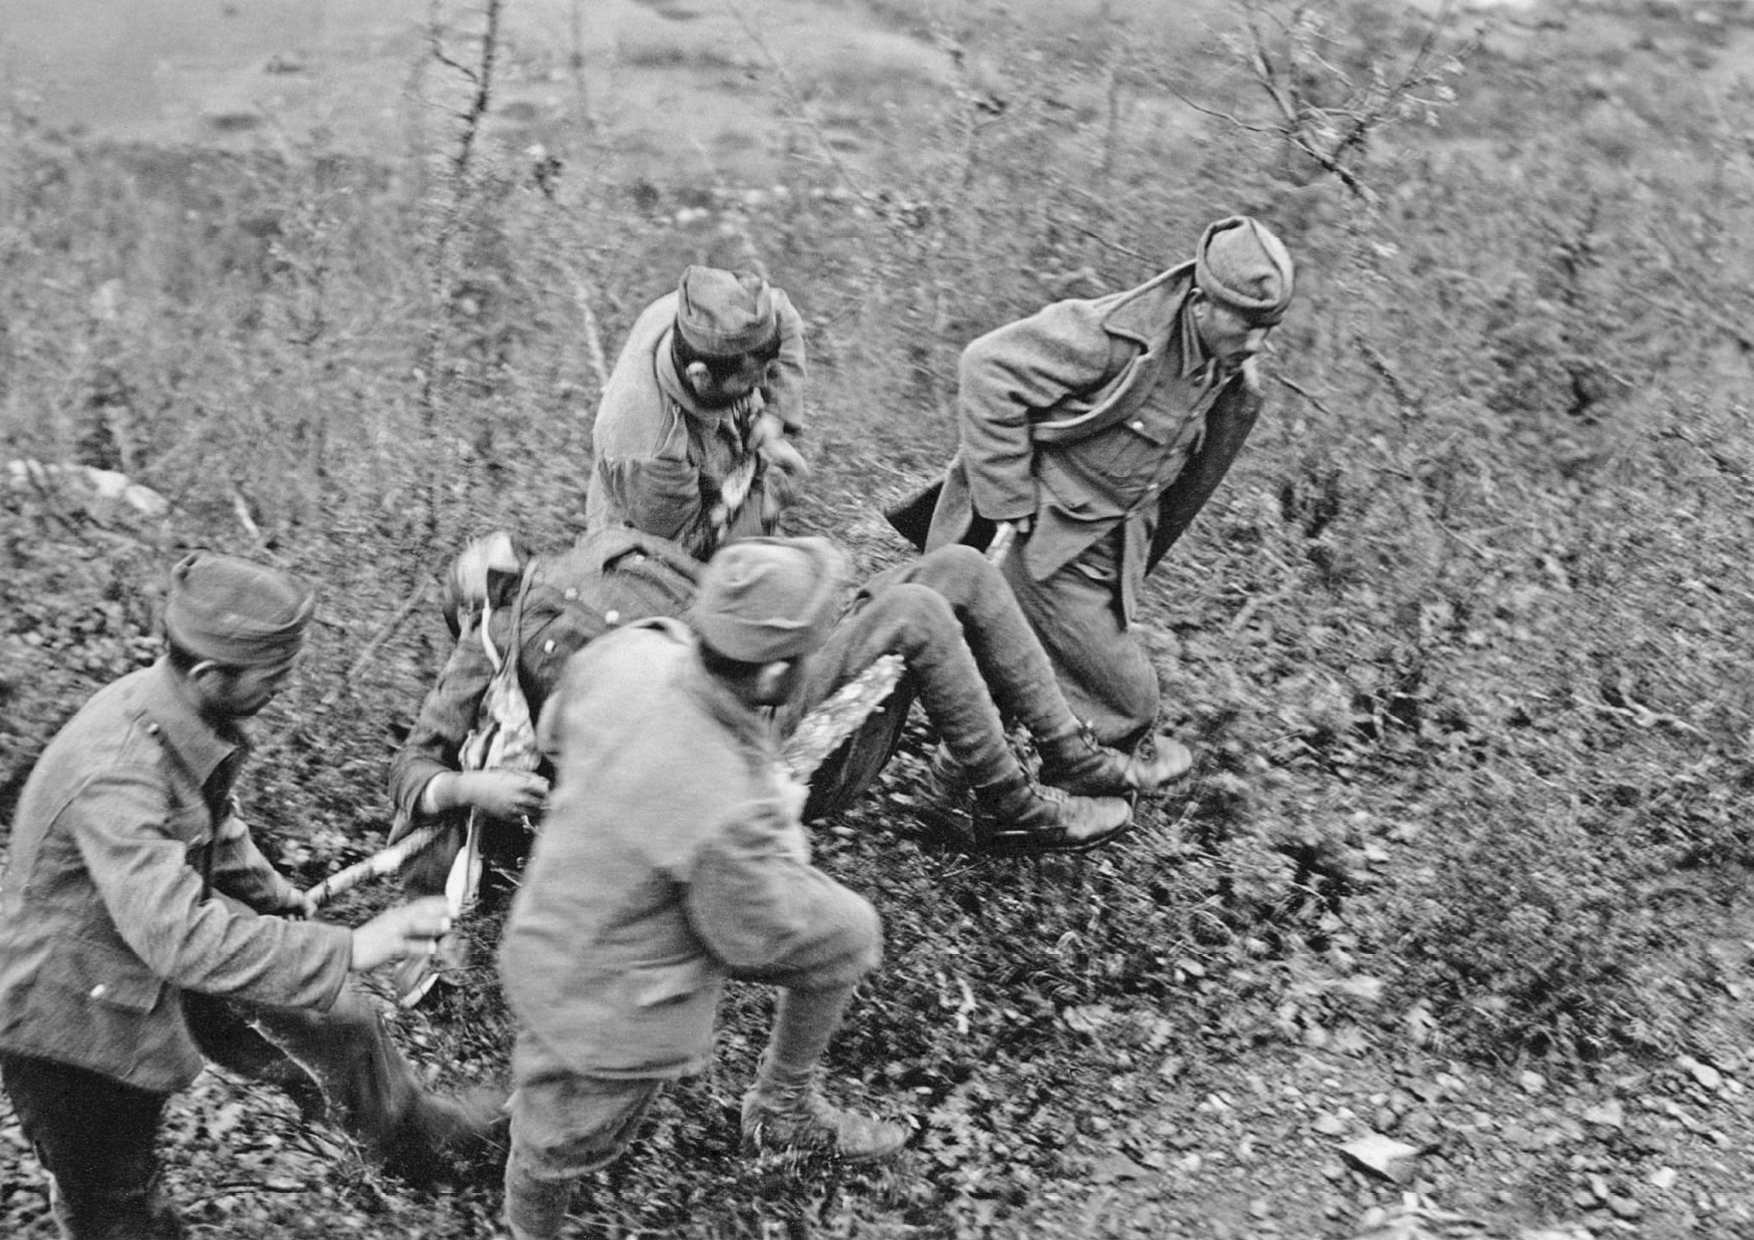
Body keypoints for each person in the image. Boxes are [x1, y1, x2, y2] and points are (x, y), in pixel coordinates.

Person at [384, 526, 1191, 1002]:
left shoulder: (604, 553)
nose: (499, 567)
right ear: (466, 610)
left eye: (502, 554)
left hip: (768, 687)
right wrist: (473, 785)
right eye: (478, 581)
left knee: (959, 569)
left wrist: (806, 622)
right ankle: (1011, 802)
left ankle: (1072, 755)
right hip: (750, 764)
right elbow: (412, 773)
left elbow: (724, 605)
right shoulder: (486, 651)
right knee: (913, 611)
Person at [0, 552, 505, 1240]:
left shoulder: (175, 707)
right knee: (118, 1200)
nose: (285, 688)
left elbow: (215, 818)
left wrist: (275, 898)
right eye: (278, 676)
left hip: (151, 930)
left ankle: (420, 1139)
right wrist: (353, 944)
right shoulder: (116, 770)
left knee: (340, 1015)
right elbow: (179, 939)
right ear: (211, 674)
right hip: (72, 1010)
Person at [493, 539, 893, 1238]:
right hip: (598, 993)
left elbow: (556, 734)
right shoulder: (725, 807)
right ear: (774, 672)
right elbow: (748, 932)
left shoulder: (634, 652)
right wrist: (778, 833)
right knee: (556, 1144)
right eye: (811, 653)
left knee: (849, 931)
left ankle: (784, 1110)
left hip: (579, 902)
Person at [889, 215, 1296, 749]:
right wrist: (1008, 500)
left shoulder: (1234, 383)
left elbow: (1180, 489)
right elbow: (986, 367)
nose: (1258, 344)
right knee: (1127, 703)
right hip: (1043, 544)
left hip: (1110, 554)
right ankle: (1025, 801)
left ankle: (970, 790)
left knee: (1020, 681)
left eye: (1267, 328)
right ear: (1201, 303)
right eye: (1246, 325)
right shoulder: (1113, 336)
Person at [585, 264, 811, 561]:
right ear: (700, 375)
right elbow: (688, 554)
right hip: (647, 549)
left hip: (720, 476)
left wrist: (776, 413)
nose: (763, 384)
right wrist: (770, 499)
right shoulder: (650, 447)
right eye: (750, 379)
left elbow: (782, 313)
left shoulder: (712, 321)